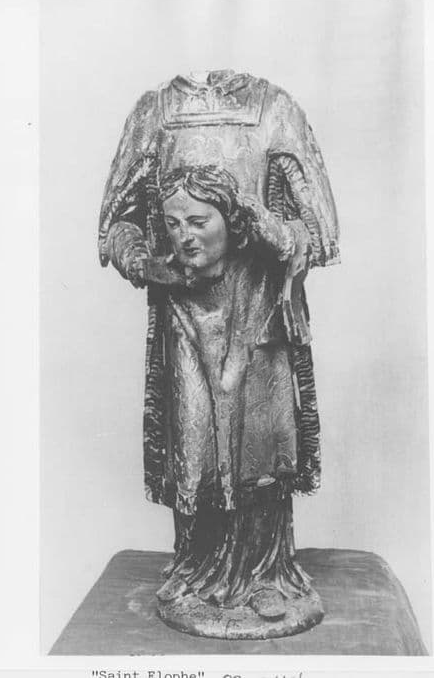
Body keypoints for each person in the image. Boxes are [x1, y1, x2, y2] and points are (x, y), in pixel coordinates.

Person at [99, 71, 340, 637]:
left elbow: (320, 232)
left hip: (257, 314)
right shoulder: (154, 113)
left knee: (261, 448)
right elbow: (115, 226)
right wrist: (146, 263)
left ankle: (264, 575)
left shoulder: (275, 110)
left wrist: (273, 229)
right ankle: (199, 571)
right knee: (194, 440)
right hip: (187, 317)